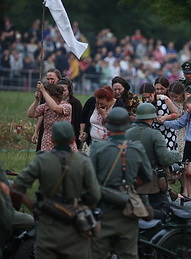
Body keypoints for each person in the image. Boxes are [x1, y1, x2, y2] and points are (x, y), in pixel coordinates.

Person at [12, 121, 101, 259]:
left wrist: (33, 208)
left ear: (52, 139)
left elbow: (17, 187)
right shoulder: (83, 162)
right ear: (72, 139)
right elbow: (94, 195)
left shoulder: (42, 160)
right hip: (75, 225)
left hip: (48, 225)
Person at [90, 107, 153, 259]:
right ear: (127, 125)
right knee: (128, 254)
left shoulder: (98, 148)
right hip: (128, 210)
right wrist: (131, 185)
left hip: (103, 209)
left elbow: (90, 179)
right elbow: (147, 176)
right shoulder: (137, 148)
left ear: (108, 125)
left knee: (97, 254)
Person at [125, 103, 182, 212]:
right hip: (152, 184)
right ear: (152, 118)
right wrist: (177, 155)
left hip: (132, 180)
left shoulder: (127, 133)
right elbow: (165, 159)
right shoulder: (155, 134)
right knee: (161, 213)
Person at [162, 96, 191, 200]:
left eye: (188, 108)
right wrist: (164, 122)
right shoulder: (188, 114)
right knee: (186, 172)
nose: (187, 110)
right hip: (189, 143)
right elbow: (179, 124)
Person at [27, 81, 77, 152]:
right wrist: (37, 100)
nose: (45, 97)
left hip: (63, 141)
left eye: (47, 95)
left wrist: (43, 91)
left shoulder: (67, 106)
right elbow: (30, 114)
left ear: (54, 96)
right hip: (47, 142)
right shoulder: (44, 106)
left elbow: (55, 108)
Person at [139, 82, 179, 150]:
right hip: (153, 134)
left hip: (167, 132)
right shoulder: (145, 103)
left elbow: (176, 114)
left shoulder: (164, 99)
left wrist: (165, 117)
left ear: (154, 93)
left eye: (149, 97)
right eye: (144, 98)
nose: (147, 100)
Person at [57, 77, 83, 149]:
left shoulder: (76, 103)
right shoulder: (54, 102)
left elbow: (80, 119)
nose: (62, 92)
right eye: (59, 90)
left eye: (64, 90)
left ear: (69, 90)